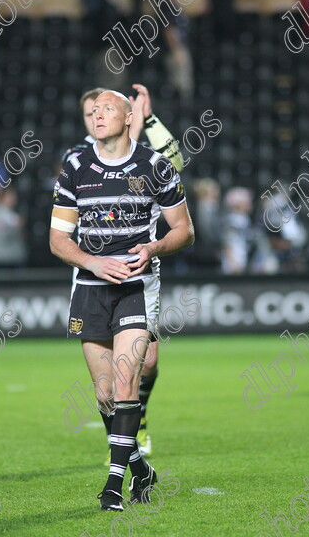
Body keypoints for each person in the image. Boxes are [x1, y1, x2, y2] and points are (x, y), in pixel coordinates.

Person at [50, 91, 194, 511]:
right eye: (91, 111)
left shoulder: (154, 165)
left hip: (136, 283)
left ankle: (114, 484)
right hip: (91, 287)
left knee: (130, 374)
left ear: (129, 117)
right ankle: (141, 468)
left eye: (106, 109)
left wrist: (153, 249)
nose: (96, 115)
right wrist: (92, 262)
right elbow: (58, 240)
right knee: (105, 393)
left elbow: (183, 230)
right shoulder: (75, 167)